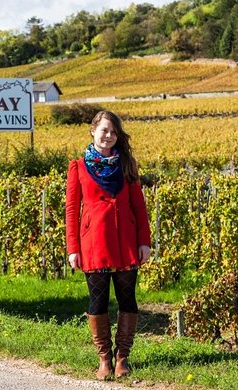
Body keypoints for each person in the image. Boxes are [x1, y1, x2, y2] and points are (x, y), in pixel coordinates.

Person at [65, 110, 152, 380]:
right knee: (97, 301)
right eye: (104, 130)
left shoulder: (127, 164)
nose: (109, 136)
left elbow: (139, 206)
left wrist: (144, 242)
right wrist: (73, 248)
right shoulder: (78, 167)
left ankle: (122, 358)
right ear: (93, 131)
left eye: (113, 132)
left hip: (126, 241)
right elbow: (71, 210)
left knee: (128, 299)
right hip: (93, 243)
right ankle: (104, 359)